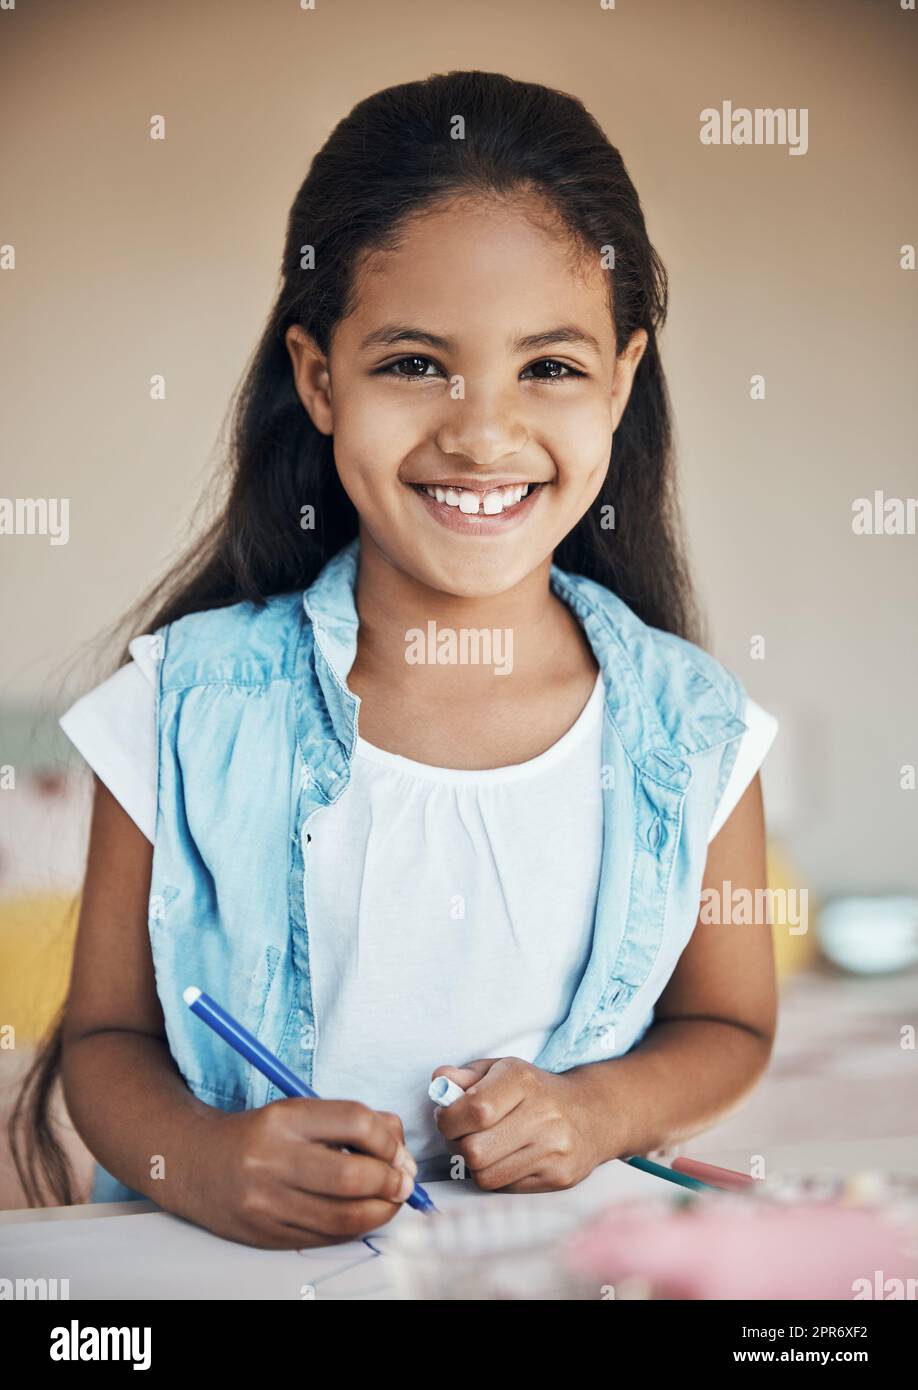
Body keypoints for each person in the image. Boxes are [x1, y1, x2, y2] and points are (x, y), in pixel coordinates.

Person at [15, 70, 778, 1249]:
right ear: (321, 378)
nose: (482, 432)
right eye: (416, 363)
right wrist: (214, 1162)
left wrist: (595, 1108)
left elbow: (729, 1025)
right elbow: (107, 1041)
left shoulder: (696, 729)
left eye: (551, 366)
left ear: (620, 383)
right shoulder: (185, 703)